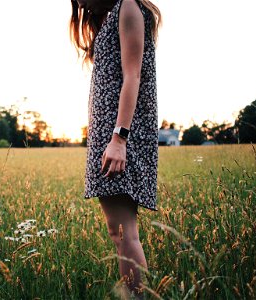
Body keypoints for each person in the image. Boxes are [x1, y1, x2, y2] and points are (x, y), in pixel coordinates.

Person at [69, 0, 162, 298]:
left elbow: (133, 76)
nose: (80, 2)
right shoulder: (116, 13)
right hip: (110, 136)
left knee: (123, 232)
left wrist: (119, 139)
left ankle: (137, 298)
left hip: (119, 137)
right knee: (119, 231)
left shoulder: (129, 7)